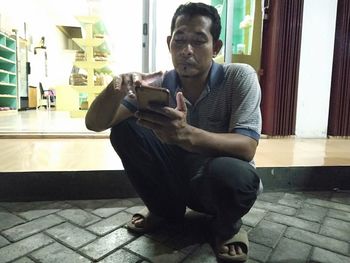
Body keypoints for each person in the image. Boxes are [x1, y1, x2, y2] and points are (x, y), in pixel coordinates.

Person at [86, 2, 262, 262]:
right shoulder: (158, 84)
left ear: (216, 47)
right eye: (179, 40)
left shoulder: (238, 77)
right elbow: (95, 124)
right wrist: (117, 87)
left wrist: (186, 135)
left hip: (212, 183)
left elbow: (247, 146)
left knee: (237, 174)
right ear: (169, 42)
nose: (186, 50)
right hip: (174, 178)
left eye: (199, 41)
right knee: (124, 130)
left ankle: (226, 227)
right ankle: (164, 210)